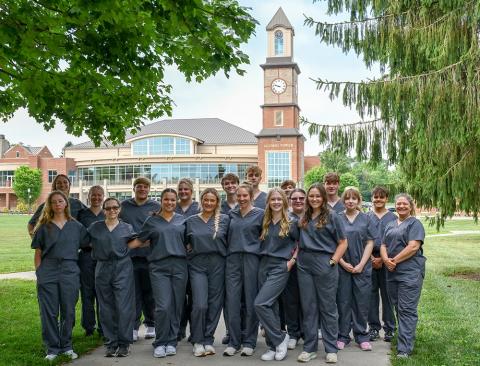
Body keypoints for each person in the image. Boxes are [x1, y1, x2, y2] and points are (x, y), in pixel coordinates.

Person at [31, 190, 89, 361]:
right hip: (48, 269)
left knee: (68, 310)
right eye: (54, 202)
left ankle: (66, 346)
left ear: (66, 204)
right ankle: (52, 348)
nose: (57, 204)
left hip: (70, 269)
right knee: (48, 311)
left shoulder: (76, 226)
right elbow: (38, 253)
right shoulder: (44, 227)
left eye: (60, 201)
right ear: (50, 205)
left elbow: (88, 245)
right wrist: (39, 272)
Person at [297, 183, 348, 364]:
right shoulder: (304, 216)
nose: (314, 199)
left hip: (325, 263)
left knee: (328, 307)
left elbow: (343, 242)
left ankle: (331, 348)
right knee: (308, 307)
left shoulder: (333, 216)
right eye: (311, 196)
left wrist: (333, 261)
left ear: (323, 197)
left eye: (318, 196)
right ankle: (309, 348)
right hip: (304, 263)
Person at [138, 188, 188, 358]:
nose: (170, 203)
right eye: (166, 199)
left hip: (180, 266)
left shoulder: (182, 220)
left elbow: (189, 243)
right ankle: (160, 342)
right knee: (163, 306)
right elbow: (139, 240)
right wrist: (117, 247)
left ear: (176, 202)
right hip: (159, 267)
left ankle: (172, 341)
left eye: (173, 200)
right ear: (161, 200)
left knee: (176, 305)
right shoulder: (151, 221)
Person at [87, 197, 140, 357]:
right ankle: (111, 342)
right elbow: (86, 241)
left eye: (115, 207)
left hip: (122, 267)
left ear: (119, 209)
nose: (112, 211)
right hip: (102, 267)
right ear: (104, 210)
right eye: (108, 208)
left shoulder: (126, 227)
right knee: (105, 307)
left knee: (123, 306)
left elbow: (137, 241)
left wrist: (123, 250)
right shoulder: (95, 227)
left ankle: (124, 343)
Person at [254, 188, 299, 361]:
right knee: (271, 306)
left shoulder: (292, 221)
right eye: (273, 199)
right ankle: (273, 347)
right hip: (263, 265)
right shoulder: (264, 220)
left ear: (284, 201)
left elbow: (300, 242)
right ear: (268, 202)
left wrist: (292, 261)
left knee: (260, 303)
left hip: (280, 266)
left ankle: (281, 338)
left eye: (279, 199)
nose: (276, 202)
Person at [381, 193, 426, 359]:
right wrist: (386, 259)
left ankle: (404, 349)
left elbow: (413, 246)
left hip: (410, 273)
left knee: (406, 309)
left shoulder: (415, 223)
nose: (401, 206)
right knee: (398, 307)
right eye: (398, 203)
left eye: (404, 204)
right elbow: (383, 244)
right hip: (392, 272)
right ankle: (404, 337)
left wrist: (394, 260)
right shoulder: (390, 224)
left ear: (411, 206)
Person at [186, 188, 230, 357]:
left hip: (218, 264)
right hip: (197, 265)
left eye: (212, 200)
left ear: (217, 202)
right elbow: (184, 242)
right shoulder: (190, 221)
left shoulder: (225, 220)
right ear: (201, 201)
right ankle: (197, 340)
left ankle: (208, 339)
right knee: (200, 304)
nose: (209, 203)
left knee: (214, 304)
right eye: (206, 200)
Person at [223, 183, 264, 357]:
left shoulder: (261, 215)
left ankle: (249, 341)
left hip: (252, 259)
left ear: (251, 196)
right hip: (232, 260)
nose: (241, 199)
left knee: (250, 301)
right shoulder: (231, 215)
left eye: (244, 196)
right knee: (232, 301)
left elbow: (266, 238)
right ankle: (234, 341)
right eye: (238, 196)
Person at [119, 177, 160, 341]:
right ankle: (134, 326)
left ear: (149, 189)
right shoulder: (124, 206)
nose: (142, 189)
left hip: (150, 256)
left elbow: (160, 227)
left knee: (150, 293)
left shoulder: (156, 207)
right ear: (133, 188)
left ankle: (151, 324)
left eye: (145, 187)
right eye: (139, 186)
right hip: (130, 257)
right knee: (133, 293)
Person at [336, 187, 376, 352]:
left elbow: (370, 242)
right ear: (343, 201)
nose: (350, 201)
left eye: (354, 198)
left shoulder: (366, 218)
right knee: (343, 302)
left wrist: (361, 264)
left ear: (359, 200)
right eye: (347, 198)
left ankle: (362, 336)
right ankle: (343, 336)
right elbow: (334, 243)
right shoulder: (337, 218)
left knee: (361, 302)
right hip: (342, 266)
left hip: (362, 267)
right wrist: (343, 263)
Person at [367, 186, 397, 342]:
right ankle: (373, 327)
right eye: (375, 197)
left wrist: (383, 259)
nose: (378, 199)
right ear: (372, 198)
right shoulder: (366, 217)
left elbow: (395, 241)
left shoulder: (393, 218)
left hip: (387, 260)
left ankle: (390, 328)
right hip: (369, 260)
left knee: (387, 296)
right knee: (371, 295)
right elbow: (362, 239)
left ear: (386, 199)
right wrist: (371, 258)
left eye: (381, 197)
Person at [77, 185, 105, 337]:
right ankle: (88, 327)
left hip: (103, 258)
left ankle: (103, 327)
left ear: (103, 197)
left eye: (99, 195)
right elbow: (76, 236)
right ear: (88, 197)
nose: (96, 198)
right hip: (86, 257)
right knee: (87, 293)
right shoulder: (82, 214)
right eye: (93, 195)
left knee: (102, 292)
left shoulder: (107, 213)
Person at [175, 178, 200, 341]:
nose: (183, 192)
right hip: (176, 257)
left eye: (186, 189)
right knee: (179, 296)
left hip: (194, 258)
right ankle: (179, 328)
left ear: (191, 191)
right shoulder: (172, 206)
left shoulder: (198, 207)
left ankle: (194, 331)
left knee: (194, 296)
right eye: (181, 189)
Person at [282, 188, 306, 350]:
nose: (298, 201)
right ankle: (293, 333)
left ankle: (307, 331)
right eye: (294, 198)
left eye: (301, 198)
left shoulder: (313, 216)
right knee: (290, 301)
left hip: (310, 264)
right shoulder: (286, 218)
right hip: (291, 264)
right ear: (289, 200)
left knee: (307, 300)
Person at [219, 173, 239, 345]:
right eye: (226, 183)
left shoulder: (245, 204)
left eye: (233, 182)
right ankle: (229, 329)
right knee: (229, 296)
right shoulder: (220, 207)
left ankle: (245, 330)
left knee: (244, 297)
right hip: (225, 255)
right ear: (223, 186)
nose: (230, 185)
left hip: (243, 255)